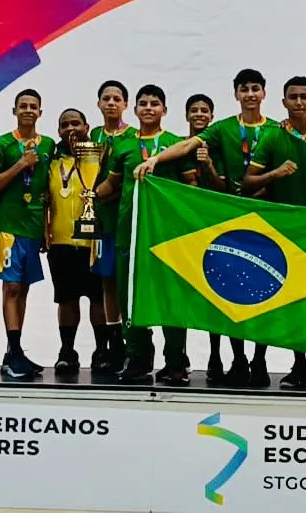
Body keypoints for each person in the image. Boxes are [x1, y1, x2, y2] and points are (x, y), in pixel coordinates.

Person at [135, 69, 278, 387]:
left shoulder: (276, 131)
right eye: (244, 89)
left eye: (256, 88)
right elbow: (186, 147)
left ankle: (259, 360)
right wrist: (154, 161)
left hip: (266, 224)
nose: (250, 94)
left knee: (263, 293)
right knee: (229, 293)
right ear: (237, 94)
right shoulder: (223, 128)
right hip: (227, 222)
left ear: (264, 93)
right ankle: (238, 359)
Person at [242, 76, 306, 389]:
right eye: (293, 97)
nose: (299, 102)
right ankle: (298, 365)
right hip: (284, 232)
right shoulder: (273, 136)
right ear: (283, 102)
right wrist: (276, 173)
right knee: (292, 299)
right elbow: (247, 183)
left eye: (304, 97)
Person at [95, 84, 193, 385]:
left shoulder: (176, 144)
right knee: (130, 298)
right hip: (130, 233)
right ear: (135, 110)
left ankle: (175, 362)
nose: (148, 108)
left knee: (170, 298)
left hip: (167, 236)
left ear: (164, 110)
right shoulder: (123, 146)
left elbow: (191, 187)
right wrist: (89, 193)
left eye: (155, 103)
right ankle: (137, 358)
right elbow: (110, 186)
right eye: (143, 103)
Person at [0, 89, 56, 379]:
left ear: (40, 112)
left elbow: (47, 191)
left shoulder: (49, 145)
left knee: (24, 288)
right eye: (23, 106)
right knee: (11, 288)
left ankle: (14, 352)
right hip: (9, 227)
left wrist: (47, 228)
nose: (28, 110)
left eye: (33, 106)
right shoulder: (1, 144)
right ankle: (13, 352)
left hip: (33, 227)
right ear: (14, 111)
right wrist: (20, 165)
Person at [46, 108, 108, 375]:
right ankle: (67, 351)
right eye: (64, 125)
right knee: (66, 299)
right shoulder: (51, 160)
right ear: (58, 131)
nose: (70, 128)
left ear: (86, 127)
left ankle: (102, 351)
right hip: (61, 241)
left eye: (75, 123)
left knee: (98, 299)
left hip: (94, 241)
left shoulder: (100, 155)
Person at [89, 80, 135, 372]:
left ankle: (133, 342)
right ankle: (112, 341)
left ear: (125, 104)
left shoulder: (132, 136)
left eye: (117, 98)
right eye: (106, 98)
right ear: (99, 104)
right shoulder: (91, 136)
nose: (111, 103)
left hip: (126, 217)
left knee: (126, 282)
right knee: (106, 281)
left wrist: (112, 192)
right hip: (99, 218)